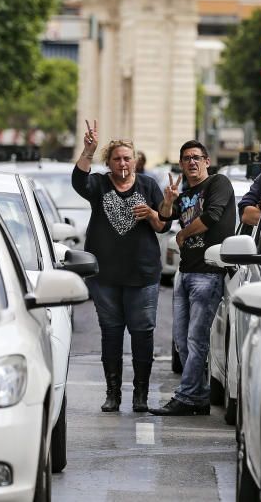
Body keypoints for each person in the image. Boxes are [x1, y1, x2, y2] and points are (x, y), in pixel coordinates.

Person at [72, 120, 170, 413]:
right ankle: (112, 393)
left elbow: (163, 225)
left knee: (142, 332)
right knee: (111, 332)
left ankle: (140, 394)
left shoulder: (148, 185)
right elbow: (78, 180)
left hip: (142, 274)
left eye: (127, 158)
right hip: (106, 275)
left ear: (135, 160)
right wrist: (88, 150)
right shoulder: (99, 184)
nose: (122, 162)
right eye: (117, 158)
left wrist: (153, 211)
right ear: (109, 162)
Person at [151, 140, 235, 416]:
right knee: (182, 340)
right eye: (186, 158)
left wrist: (185, 234)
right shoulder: (186, 193)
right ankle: (198, 396)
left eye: (197, 157)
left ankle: (186, 396)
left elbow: (212, 216)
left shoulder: (218, 184)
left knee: (197, 339)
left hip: (208, 273)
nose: (192, 162)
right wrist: (168, 200)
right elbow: (163, 222)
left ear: (207, 161)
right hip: (185, 272)